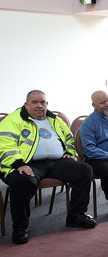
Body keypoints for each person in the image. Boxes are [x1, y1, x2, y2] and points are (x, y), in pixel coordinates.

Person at [0, 90, 96, 244]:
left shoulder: (55, 120)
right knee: (22, 181)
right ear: (26, 104)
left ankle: (76, 216)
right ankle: (20, 228)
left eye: (43, 102)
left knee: (84, 170)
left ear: (47, 104)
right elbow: (4, 144)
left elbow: (69, 139)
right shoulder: (13, 120)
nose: (40, 105)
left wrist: (70, 152)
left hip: (55, 161)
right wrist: (18, 163)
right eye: (35, 102)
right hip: (25, 163)